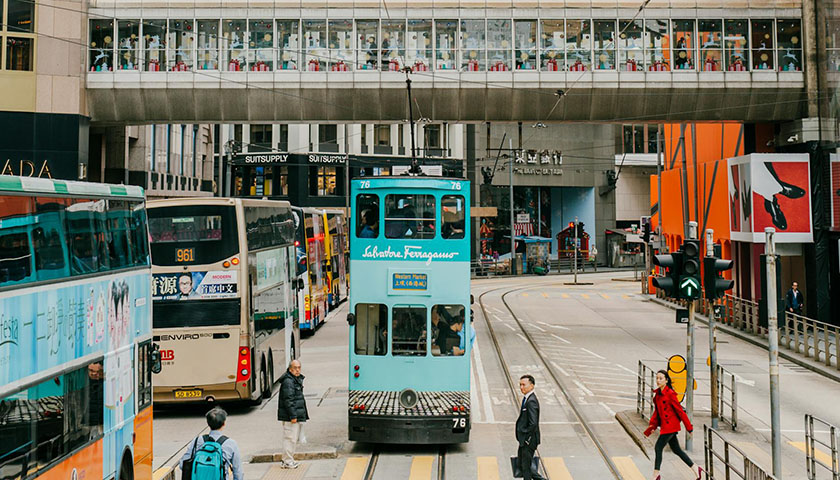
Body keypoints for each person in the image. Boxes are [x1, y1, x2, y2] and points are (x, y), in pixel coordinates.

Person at [643, 370, 702, 480]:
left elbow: (680, 411)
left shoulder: (670, 394)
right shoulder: (657, 395)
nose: (658, 380)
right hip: (665, 426)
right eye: (657, 378)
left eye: (661, 378)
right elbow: (657, 413)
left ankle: (656, 475)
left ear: (666, 380)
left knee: (658, 447)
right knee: (676, 450)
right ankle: (695, 468)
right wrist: (652, 425)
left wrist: (689, 427)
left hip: (670, 426)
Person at [180, 407, 243, 480]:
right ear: (224, 423)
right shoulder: (231, 443)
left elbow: (182, 464)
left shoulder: (197, 441)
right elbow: (238, 472)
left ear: (208, 423)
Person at [277, 360, 309, 469]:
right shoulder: (288, 382)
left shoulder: (294, 380)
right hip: (290, 417)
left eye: (299, 367)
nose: (298, 370)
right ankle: (287, 461)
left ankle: (289, 460)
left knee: (292, 439)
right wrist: (293, 416)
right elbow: (288, 400)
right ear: (290, 369)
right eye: (295, 368)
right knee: (290, 439)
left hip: (294, 415)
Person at [515, 375, 544, 480]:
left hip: (529, 440)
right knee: (523, 465)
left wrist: (527, 438)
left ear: (532, 386)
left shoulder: (531, 401)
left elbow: (533, 423)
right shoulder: (527, 399)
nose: (521, 387)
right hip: (525, 439)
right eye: (520, 385)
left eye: (524, 385)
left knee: (526, 468)